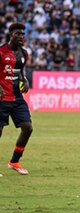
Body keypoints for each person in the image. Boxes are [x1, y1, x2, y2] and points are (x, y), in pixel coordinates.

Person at [0, 23, 33, 176]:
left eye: (22, 34)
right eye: (18, 34)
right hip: (1, 98)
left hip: (16, 98)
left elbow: (20, 70)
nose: (21, 37)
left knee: (27, 127)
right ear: (11, 35)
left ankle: (14, 161)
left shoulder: (24, 53)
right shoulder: (1, 51)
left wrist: (24, 80)